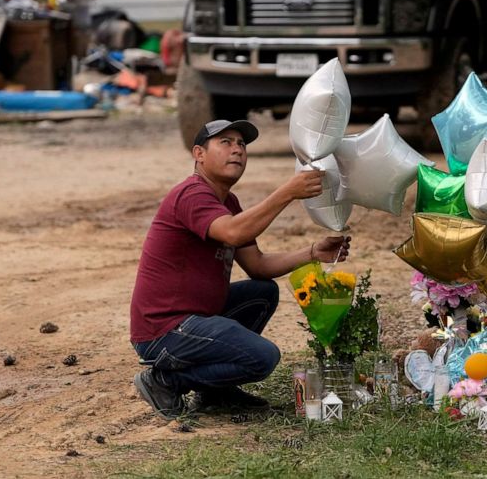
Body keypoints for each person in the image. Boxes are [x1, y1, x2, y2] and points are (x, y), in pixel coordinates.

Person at [129, 119, 351, 419]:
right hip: (165, 331)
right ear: (199, 154)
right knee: (263, 357)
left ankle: (215, 390)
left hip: (195, 320)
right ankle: (164, 381)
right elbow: (233, 233)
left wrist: (312, 252)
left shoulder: (228, 201)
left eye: (242, 145)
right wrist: (287, 192)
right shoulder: (192, 194)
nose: (237, 150)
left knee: (262, 292)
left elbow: (258, 265)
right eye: (225, 142)